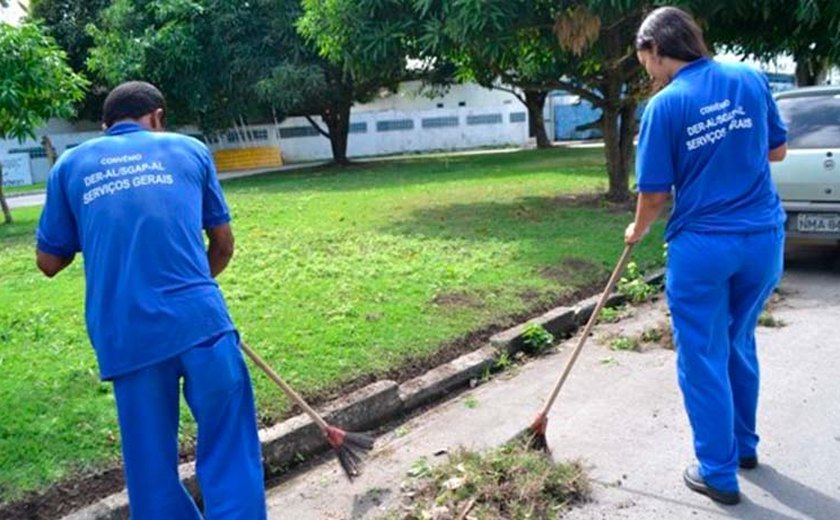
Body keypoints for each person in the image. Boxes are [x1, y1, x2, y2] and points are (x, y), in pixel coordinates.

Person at [35, 81, 266, 519]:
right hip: (204, 326)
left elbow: (48, 261)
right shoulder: (189, 150)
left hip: (129, 335)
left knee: (151, 471)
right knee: (231, 450)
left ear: (106, 127)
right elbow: (223, 246)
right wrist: (189, 288)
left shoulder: (69, 166)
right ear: (157, 117)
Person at [625, 7, 788, 506]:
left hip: (704, 248)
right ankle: (743, 448)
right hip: (762, 239)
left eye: (645, 61)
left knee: (702, 355)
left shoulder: (665, 106)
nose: (647, 72)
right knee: (738, 340)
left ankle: (717, 472)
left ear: (656, 49)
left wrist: (637, 228)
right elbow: (776, 151)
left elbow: (654, 194)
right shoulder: (749, 78)